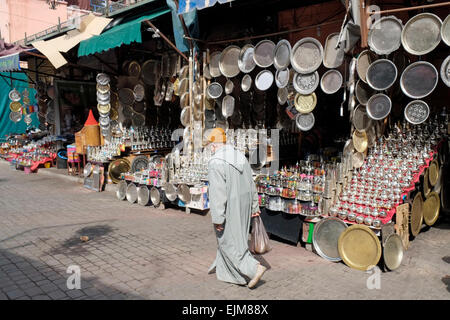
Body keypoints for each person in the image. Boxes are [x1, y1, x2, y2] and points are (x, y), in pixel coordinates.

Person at [206, 128, 267, 288]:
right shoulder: (239, 156)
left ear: (213, 145)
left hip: (230, 206)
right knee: (238, 238)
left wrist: (218, 218)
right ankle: (228, 271)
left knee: (227, 240)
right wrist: (254, 205)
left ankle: (254, 269)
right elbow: (251, 182)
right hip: (245, 203)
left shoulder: (215, 162)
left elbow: (217, 193)